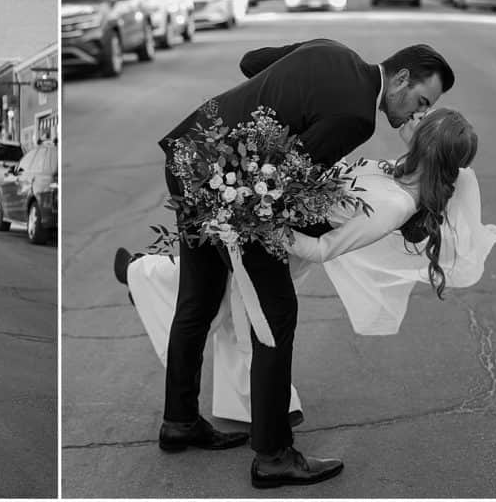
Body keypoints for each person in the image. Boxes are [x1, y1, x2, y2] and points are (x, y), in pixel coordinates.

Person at [155, 39, 455, 489]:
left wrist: (266, 110)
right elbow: (288, 179)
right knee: (276, 316)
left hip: (189, 155)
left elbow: (251, 62)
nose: (416, 114)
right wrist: (250, 197)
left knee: (198, 297)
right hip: (233, 187)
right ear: (400, 79)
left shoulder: (333, 51)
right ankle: (274, 456)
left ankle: (179, 421)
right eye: (421, 101)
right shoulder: (356, 117)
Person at [118, 109, 496, 453]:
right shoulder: (397, 169)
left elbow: (322, 249)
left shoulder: (396, 205)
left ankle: (144, 276)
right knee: (219, 308)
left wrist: (262, 220)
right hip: (270, 224)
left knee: (238, 318)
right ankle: (146, 278)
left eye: (424, 121)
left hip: (281, 247)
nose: (415, 117)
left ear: (428, 148)